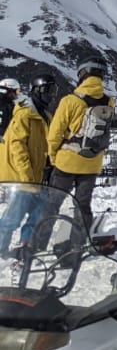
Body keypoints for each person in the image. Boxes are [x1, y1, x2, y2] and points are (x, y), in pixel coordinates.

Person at [45, 57, 114, 231]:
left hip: (67, 162)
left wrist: (53, 157)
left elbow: (54, 133)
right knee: (83, 205)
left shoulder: (70, 100)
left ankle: (39, 244)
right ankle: (80, 243)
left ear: (83, 73)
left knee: (52, 205)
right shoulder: (109, 102)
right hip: (92, 163)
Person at [0, 75, 54, 254]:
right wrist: (26, 176)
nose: (51, 95)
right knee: (13, 217)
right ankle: (1, 248)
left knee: (37, 216)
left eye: (53, 91)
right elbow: (17, 146)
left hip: (39, 176)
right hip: (22, 176)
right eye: (48, 90)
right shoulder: (25, 114)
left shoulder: (45, 115)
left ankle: (25, 246)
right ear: (37, 91)